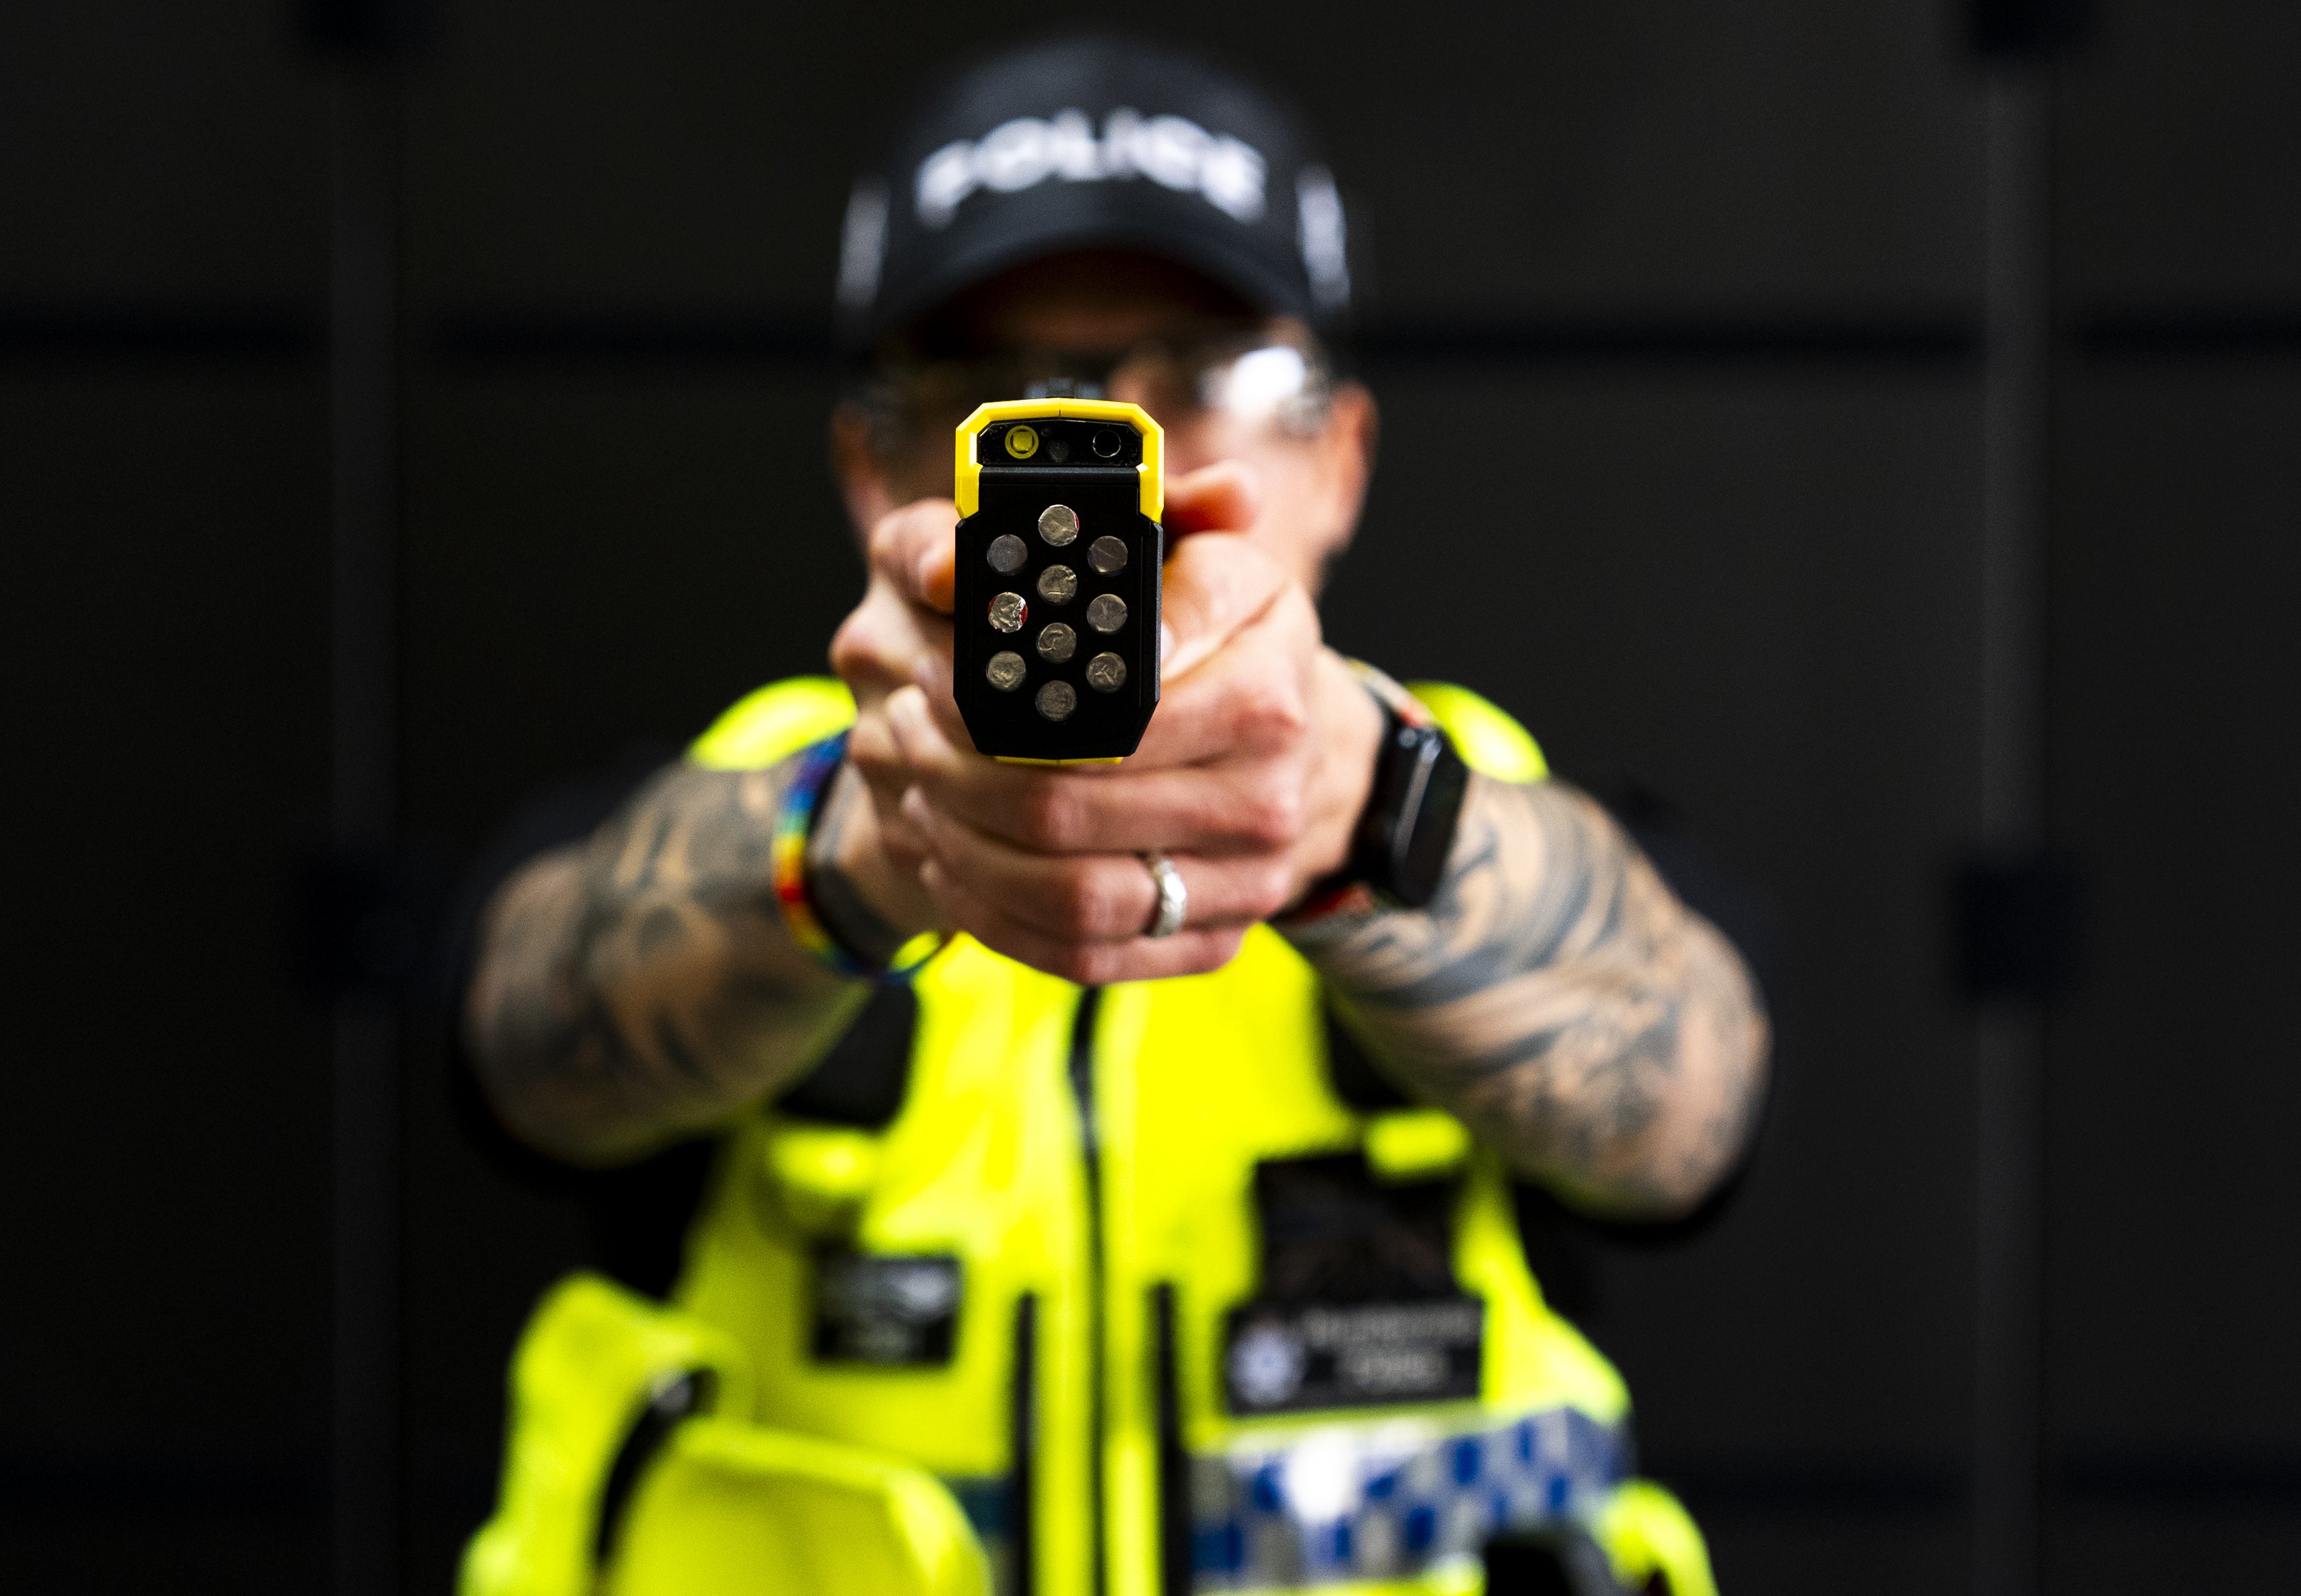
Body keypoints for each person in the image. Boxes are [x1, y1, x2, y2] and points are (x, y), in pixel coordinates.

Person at [456, 36, 1768, 1596]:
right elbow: (523, 1044)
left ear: (1338, 459)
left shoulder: (1470, 786)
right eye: (985, 386)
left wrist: (1361, 814)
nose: (1123, 453)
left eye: (1208, 376)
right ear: (873, 469)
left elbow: (1692, 1105)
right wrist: (855, 858)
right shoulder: (763, 786)